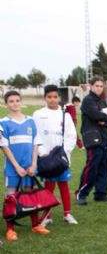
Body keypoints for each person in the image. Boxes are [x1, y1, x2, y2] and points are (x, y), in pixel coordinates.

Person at [0, 90, 50, 240]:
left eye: (17, 100)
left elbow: (35, 143)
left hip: (29, 166)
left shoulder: (30, 121)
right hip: (13, 167)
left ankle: (35, 225)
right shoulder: (3, 122)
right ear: (6, 104)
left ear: (21, 101)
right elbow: (4, 146)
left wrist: (34, 163)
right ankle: (10, 229)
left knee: (30, 194)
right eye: (11, 101)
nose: (15, 103)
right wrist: (16, 166)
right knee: (11, 196)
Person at [33, 84, 79, 226]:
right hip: (46, 157)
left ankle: (67, 214)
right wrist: (42, 152)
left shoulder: (65, 115)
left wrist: (65, 152)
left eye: (55, 97)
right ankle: (47, 215)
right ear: (45, 98)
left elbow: (71, 135)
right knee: (49, 186)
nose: (52, 100)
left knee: (63, 185)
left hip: (61, 157)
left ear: (59, 97)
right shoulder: (38, 114)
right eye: (49, 97)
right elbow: (36, 135)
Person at [76, 76, 107, 205]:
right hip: (93, 138)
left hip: (104, 138)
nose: (99, 88)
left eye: (101, 86)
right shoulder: (88, 101)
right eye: (96, 85)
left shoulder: (102, 101)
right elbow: (95, 115)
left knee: (104, 166)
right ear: (91, 86)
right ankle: (81, 193)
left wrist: (105, 121)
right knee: (92, 166)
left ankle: (100, 193)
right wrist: (106, 117)